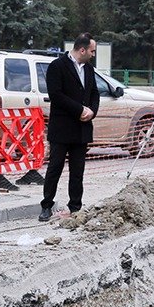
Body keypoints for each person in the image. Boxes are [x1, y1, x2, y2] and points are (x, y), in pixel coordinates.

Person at [38, 33, 99, 222]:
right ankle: (46, 205)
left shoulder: (88, 69)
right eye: (92, 51)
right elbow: (56, 95)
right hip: (62, 128)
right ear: (82, 50)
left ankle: (75, 206)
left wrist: (92, 111)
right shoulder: (57, 66)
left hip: (81, 129)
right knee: (55, 168)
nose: (93, 54)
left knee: (77, 171)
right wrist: (79, 109)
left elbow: (94, 93)